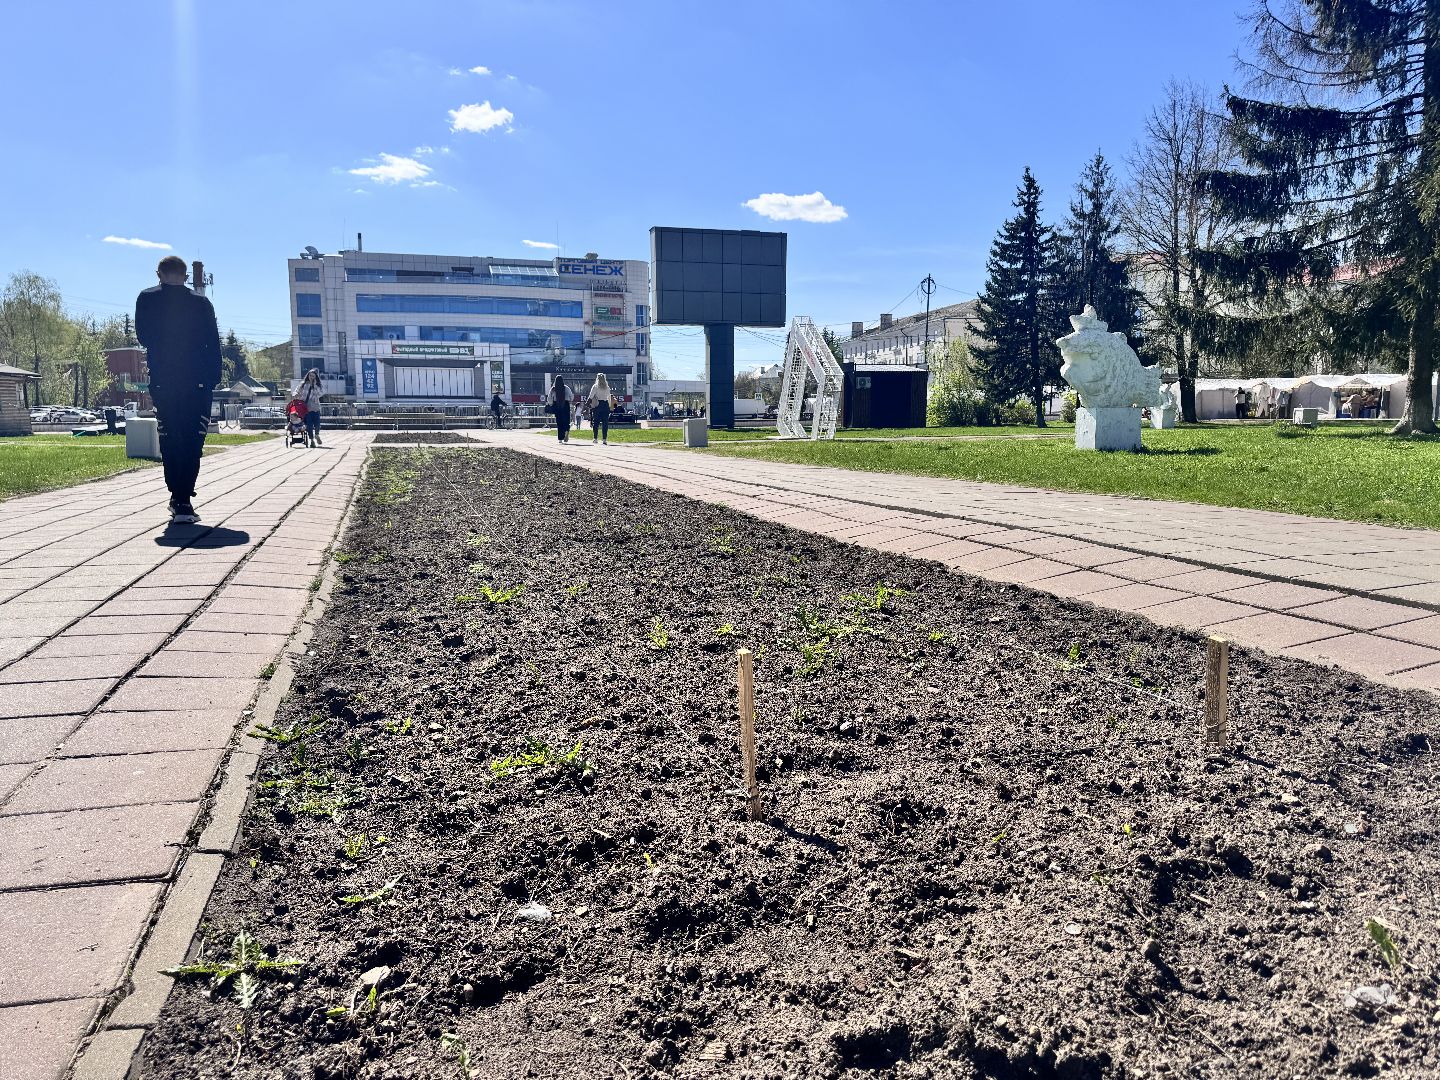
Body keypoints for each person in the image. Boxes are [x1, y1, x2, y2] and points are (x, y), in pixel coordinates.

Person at [135, 255, 221, 524]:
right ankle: (184, 499)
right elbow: (213, 343)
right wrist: (211, 380)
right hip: (197, 382)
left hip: (164, 380)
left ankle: (177, 498)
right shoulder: (201, 302)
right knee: (193, 439)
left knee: (170, 437)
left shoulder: (147, 298)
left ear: (158, 274)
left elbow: (143, 337)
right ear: (185, 276)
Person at [298, 368, 324, 446]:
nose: (311, 377)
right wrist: (296, 394)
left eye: (313, 376)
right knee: (309, 424)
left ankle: (317, 434)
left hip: (315, 406)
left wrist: (314, 385)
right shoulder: (303, 384)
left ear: (315, 377)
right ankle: (312, 440)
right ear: (308, 376)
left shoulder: (318, 385)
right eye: (310, 375)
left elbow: (321, 393)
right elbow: (297, 390)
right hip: (306, 407)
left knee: (317, 423)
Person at [587, 373, 614, 445]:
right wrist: (609, 406)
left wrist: (587, 404)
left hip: (598, 405)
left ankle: (595, 438)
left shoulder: (595, 387)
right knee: (605, 423)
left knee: (596, 422)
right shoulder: (607, 387)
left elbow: (591, 396)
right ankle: (604, 439)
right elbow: (609, 398)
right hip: (605, 405)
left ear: (597, 379)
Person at [548, 376, 573, 442]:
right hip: (565, 405)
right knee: (566, 420)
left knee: (559, 422)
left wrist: (551, 404)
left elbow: (549, 398)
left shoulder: (553, 389)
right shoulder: (566, 388)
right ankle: (566, 430)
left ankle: (560, 439)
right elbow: (572, 397)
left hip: (557, 405)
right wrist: (569, 400)